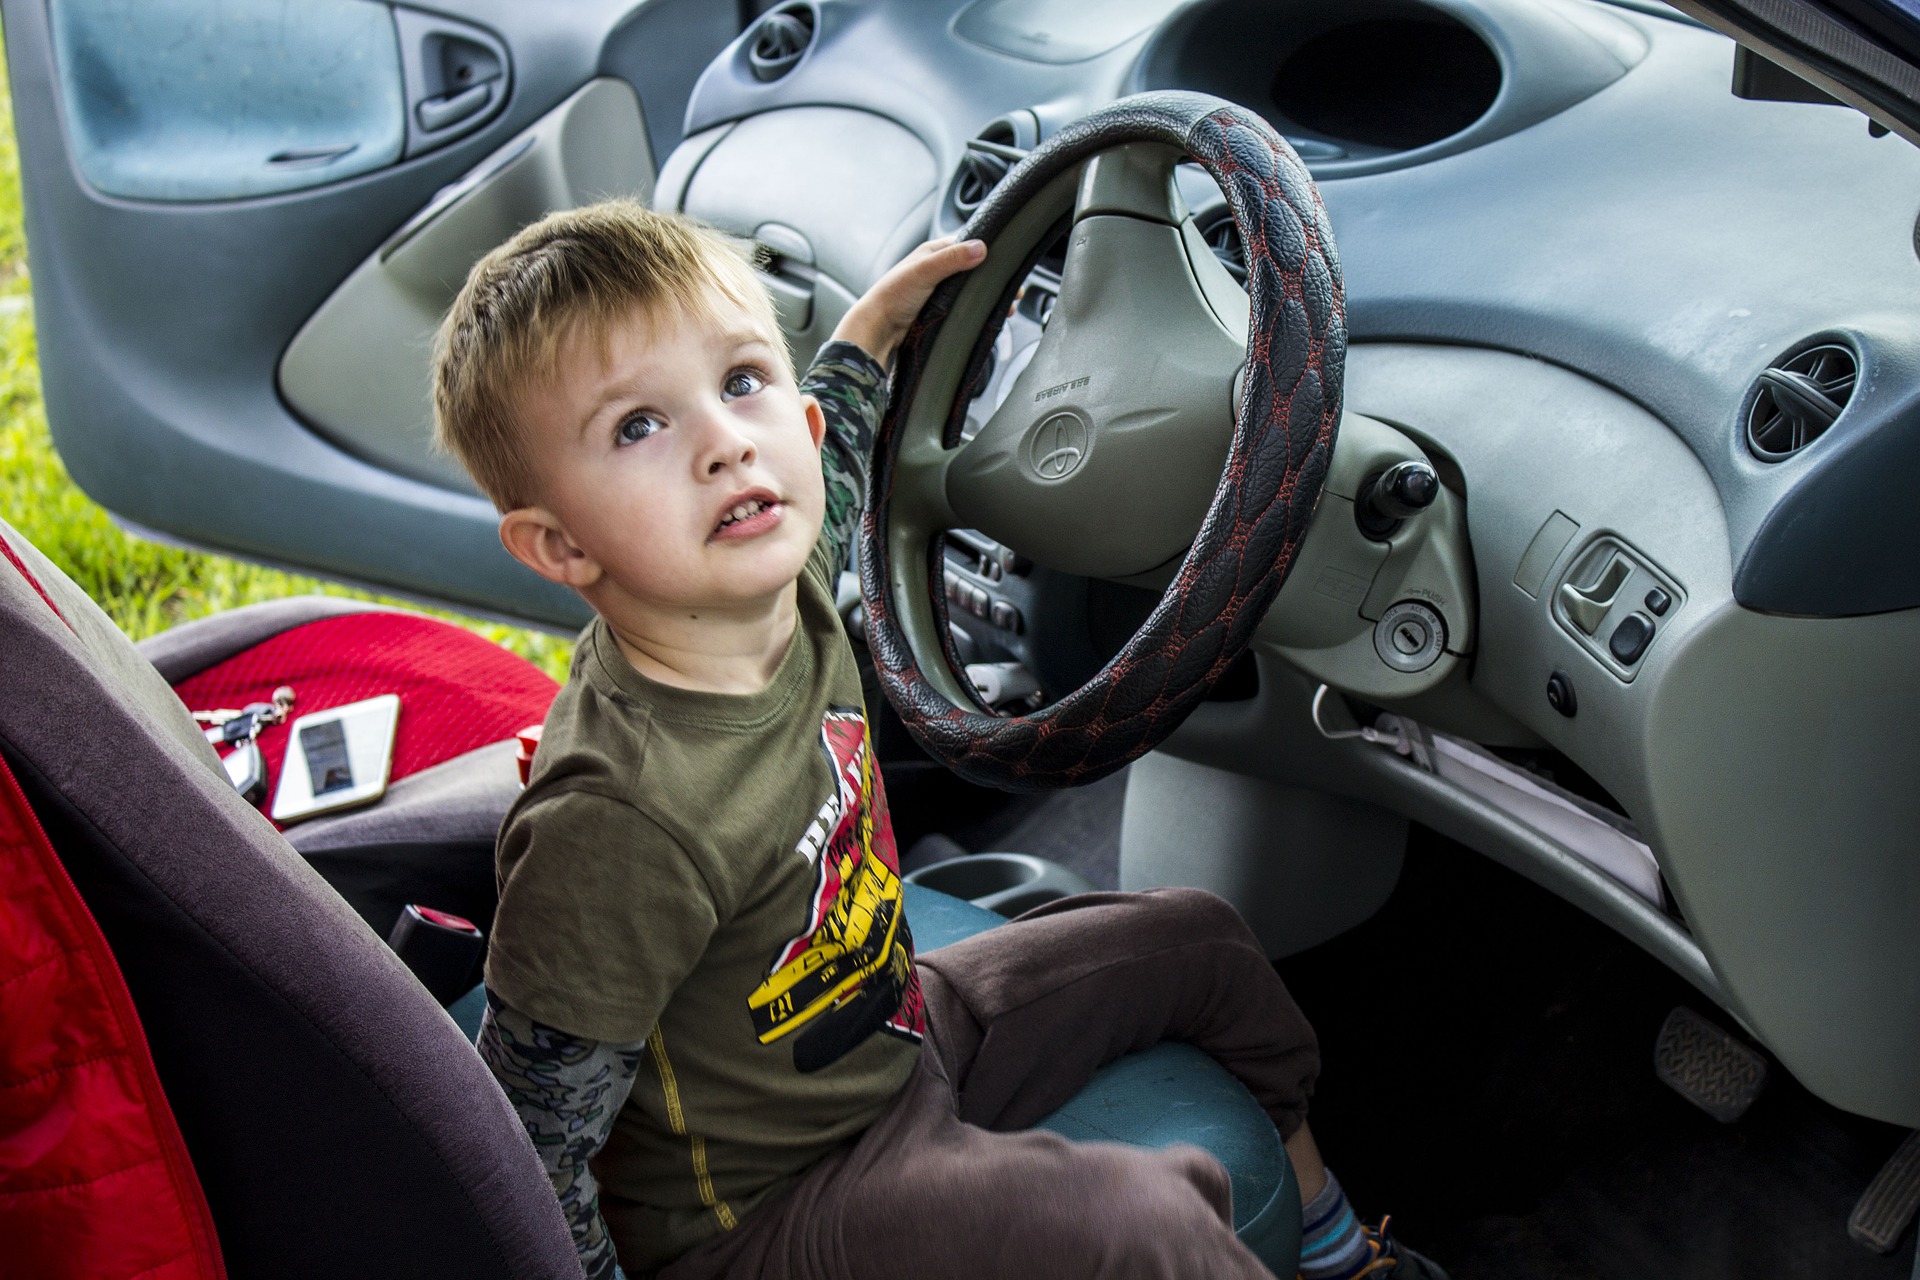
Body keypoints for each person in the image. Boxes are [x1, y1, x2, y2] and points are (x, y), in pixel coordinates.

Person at [430, 199, 1443, 1280]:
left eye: (739, 382)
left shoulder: (785, 583)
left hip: (899, 1032)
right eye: (639, 426)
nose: (725, 443)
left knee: (1201, 945)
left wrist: (868, 336)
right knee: (1134, 1220)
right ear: (559, 544)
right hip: (766, 1209)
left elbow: (839, 433)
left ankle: (1337, 1255)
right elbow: (532, 1142)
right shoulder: (619, 818)